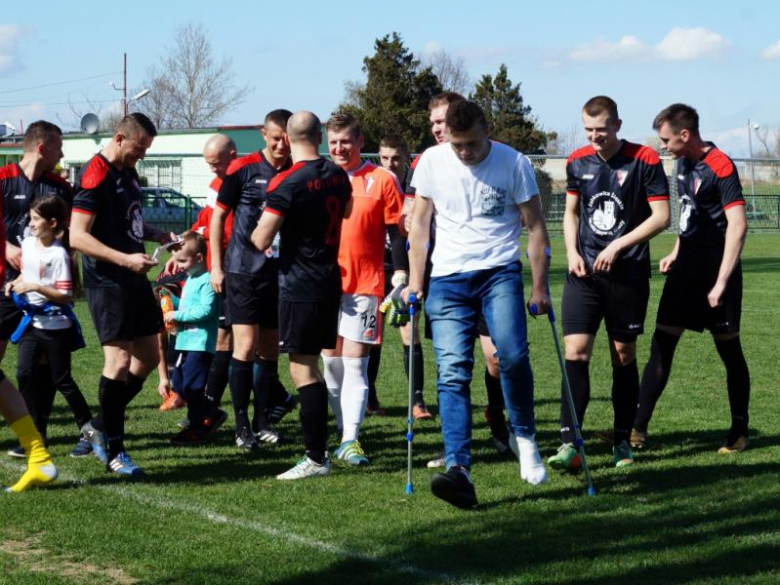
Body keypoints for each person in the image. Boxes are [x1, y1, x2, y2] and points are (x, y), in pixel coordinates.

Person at [405, 100, 551, 509]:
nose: (464, 152)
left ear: (487, 131)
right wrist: (417, 281)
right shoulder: (431, 162)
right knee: (451, 371)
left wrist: (539, 287)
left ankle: (524, 436)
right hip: (447, 279)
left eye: (471, 143)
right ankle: (459, 469)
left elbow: (536, 227)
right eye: (457, 145)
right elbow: (419, 224)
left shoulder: (514, 163)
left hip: (498, 272)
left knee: (512, 356)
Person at [548, 96, 670, 471]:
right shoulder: (576, 161)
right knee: (576, 352)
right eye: (588, 130)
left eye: (601, 129)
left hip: (627, 275)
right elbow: (570, 213)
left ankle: (622, 441)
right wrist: (571, 252)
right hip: (584, 275)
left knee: (623, 355)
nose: (595, 137)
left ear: (617, 125)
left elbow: (662, 216)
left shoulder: (644, 160)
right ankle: (570, 442)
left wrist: (618, 245)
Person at [632, 103, 750, 453]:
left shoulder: (721, 166)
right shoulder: (683, 163)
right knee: (662, 343)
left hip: (717, 271)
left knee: (728, 349)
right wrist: (675, 251)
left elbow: (738, 225)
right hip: (686, 271)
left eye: (666, 139)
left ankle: (739, 431)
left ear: (685, 135)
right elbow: (689, 214)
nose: (663, 145)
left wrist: (721, 281)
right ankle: (636, 430)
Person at [404, 93, 513, 468]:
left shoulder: (484, 157)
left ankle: (500, 421)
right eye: (434, 124)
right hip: (443, 275)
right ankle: (455, 450)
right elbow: (413, 217)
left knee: (496, 357)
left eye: (443, 123)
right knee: (451, 363)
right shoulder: (428, 163)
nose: (438, 129)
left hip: (486, 271)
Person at [251, 111, 351, 480]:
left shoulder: (287, 180)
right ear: (322, 136)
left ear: (289, 139)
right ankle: (320, 451)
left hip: (300, 283)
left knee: (302, 368)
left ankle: (316, 457)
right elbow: (349, 210)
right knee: (312, 365)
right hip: (328, 278)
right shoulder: (338, 174)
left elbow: (261, 239)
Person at [70, 112, 171, 477]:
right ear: (118, 138)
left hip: (132, 278)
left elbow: (130, 219)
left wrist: (158, 234)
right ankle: (116, 450)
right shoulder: (94, 174)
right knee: (118, 363)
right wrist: (124, 259)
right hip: (108, 281)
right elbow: (77, 235)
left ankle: (98, 423)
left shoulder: (127, 173)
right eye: (138, 148)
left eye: (145, 150)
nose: (141, 155)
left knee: (147, 356)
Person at [322, 113, 404, 466]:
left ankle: (351, 438)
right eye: (334, 141)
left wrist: (401, 272)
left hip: (364, 285)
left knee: (355, 364)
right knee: (330, 362)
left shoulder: (381, 179)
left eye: (346, 141)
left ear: (360, 142)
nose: (339, 148)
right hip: (323, 285)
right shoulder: (319, 177)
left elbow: (398, 231)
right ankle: (343, 433)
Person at [210, 110, 293, 450]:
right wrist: (216, 265)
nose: (280, 144)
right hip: (243, 270)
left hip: (280, 274)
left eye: (286, 138)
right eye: (275, 137)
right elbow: (218, 218)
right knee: (244, 346)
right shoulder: (242, 170)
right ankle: (241, 425)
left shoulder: (296, 171)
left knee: (270, 350)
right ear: (264, 134)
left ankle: (263, 421)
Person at [1, 121, 72, 454]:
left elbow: (67, 239)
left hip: (42, 291)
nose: (62, 154)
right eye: (58, 147)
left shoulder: (58, 187)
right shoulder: (3, 179)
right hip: (5, 285)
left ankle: (37, 433)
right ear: (42, 148)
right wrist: (6, 247)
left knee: (40, 363)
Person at [6, 195, 93, 458]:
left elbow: (66, 296)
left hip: (56, 326)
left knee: (61, 380)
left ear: (52, 222)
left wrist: (34, 287)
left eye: (36, 219)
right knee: (24, 374)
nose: (31, 224)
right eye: (30, 218)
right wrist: (16, 282)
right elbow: (28, 273)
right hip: (32, 323)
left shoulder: (58, 254)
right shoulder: (30, 245)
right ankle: (35, 436)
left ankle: (89, 432)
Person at [374, 134, 431, 420]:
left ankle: (417, 400)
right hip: (376, 268)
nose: (390, 163)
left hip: (407, 270)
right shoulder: (374, 181)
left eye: (395, 158)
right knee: (373, 334)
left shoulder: (416, 185)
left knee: (410, 330)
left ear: (406, 157)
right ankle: (370, 397)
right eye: (384, 158)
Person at [164, 231, 221, 445]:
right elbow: (187, 307)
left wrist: (177, 315)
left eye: (183, 261)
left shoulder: (206, 281)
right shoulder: (189, 280)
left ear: (199, 258)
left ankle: (196, 427)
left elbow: (205, 310)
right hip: (185, 341)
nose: (178, 266)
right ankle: (210, 412)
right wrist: (171, 303)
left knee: (193, 386)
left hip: (200, 342)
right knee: (179, 383)